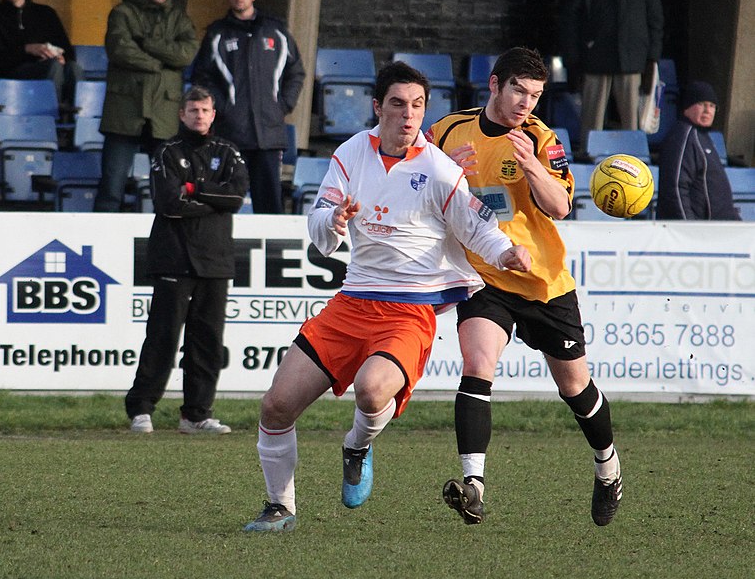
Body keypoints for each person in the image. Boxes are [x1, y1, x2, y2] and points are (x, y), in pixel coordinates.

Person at [242, 62, 532, 533]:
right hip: (352, 302)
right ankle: (279, 508)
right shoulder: (352, 153)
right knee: (275, 405)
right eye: (398, 104)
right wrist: (334, 220)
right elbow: (319, 230)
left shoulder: (438, 167)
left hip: (408, 311)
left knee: (372, 388)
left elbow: (478, 227)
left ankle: (356, 445)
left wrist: (506, 253)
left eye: (418, 105)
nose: (408, 114)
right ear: (378, 107)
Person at [427, 47, 623, 527]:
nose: (526, 103)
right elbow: (418, 185)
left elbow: (559, 206)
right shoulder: (448, 131)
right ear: (494, 85)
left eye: (535, 95)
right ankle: (473, 486)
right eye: (518, 90)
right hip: (484, 275)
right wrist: (442, 167)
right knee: (477, 363)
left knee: (574, 386)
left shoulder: (541, 138)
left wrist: (532, 165)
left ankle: (608, 467)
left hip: (542, 281)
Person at [125, 86, 249, 434]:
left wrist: (193, 189)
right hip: (173, 256)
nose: (199, 116)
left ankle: (196, 414)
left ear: (213, 114)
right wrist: (213, 200)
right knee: (162, 336)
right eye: (192, 110)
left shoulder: (228, 151)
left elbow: (236, 196)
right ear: (182, 114)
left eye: (205, 110)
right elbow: (167, 202)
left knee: (207, 340)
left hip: (216, 258)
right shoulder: (166, 151)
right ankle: (141, 409)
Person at [191, 0, 305, 213]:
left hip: (269, 134)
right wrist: (223, 108)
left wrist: (283, 104)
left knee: (270, 204)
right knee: (225, 200)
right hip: (231, 133)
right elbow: (202, 77)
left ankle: (271, 250)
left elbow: (296, 71)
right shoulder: (217, 34)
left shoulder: (277, 32)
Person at [94, 0, 198, 212]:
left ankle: (166, 242)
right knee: (111, 187)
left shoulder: (180, 19)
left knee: (167, 188)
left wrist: (147, 44)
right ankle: (102, 244)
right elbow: (120, 49)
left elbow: (185, 55)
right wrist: (158, 64)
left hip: (163, 113)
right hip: (124, 110)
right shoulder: (122, 12)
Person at [560, 0, 664, 147]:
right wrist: (573, 59)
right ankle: (589, 160)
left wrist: (651, 60)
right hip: (594, 59)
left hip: (632, 61)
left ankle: (632, 162)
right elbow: (570, 19)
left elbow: (656, 23)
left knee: (631, 124)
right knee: (591, 122)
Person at [0, 0, 83, 105]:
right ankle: (51, 116)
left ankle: (78, 120)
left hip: (50, 66)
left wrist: (62, 57)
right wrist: (28, 49)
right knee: (53, 67)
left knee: (73, 67)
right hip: (15, 73)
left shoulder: (46, 13)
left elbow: (68, 50)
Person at [656, 80, 740, 220]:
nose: (707, 110)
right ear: (687, 108)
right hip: (698, 232)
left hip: (719, 231)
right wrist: (689, 228)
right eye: (701, 104)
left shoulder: (703, 136)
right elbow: (676, 187)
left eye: (712, 106)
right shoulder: (682, 136)